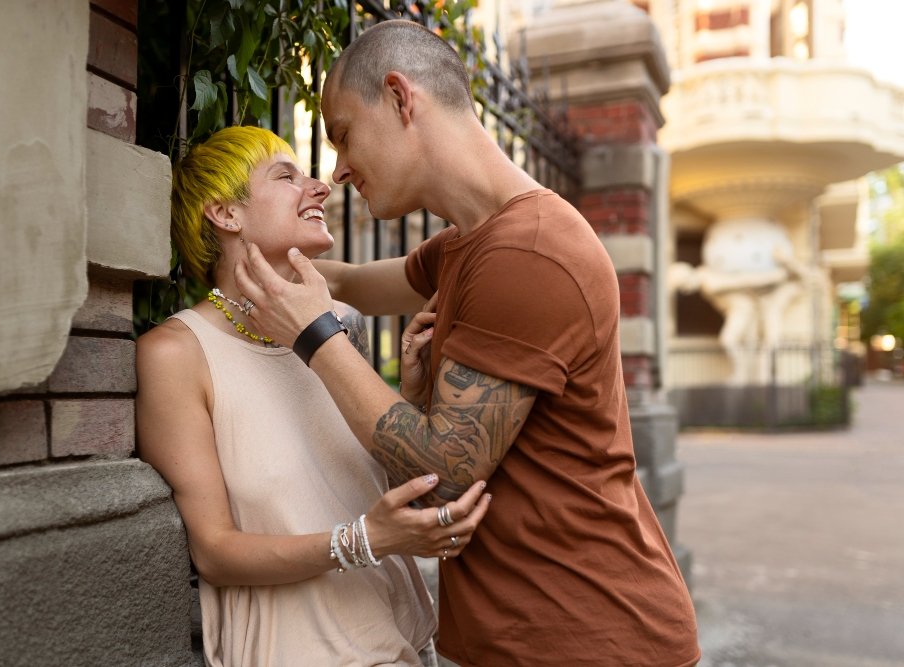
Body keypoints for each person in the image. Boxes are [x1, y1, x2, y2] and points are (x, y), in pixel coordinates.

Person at [231, 20, 701, 667]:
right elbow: (353, 283)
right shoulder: (466, 246)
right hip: (526, 638)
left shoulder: (529, 250)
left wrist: (317, 335)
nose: (337, 170)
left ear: (400, 98)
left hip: (591, 636)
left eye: (342, 134)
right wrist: (252, 261)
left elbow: (441, 481)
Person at [135, 125, 491, 667]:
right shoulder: (176, 354)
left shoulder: (334, 330)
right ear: (226, 214)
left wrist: (413, 401)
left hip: (404, 643)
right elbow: (215, 552)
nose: (321, 187)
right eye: (287, 176)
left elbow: (367, 491)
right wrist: (364, 540)